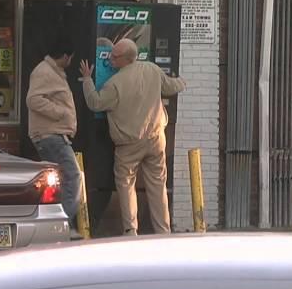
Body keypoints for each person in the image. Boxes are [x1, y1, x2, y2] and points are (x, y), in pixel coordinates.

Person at [79, 38, 186, 235]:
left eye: (114, 56)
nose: (110, 59)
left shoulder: (114, 84)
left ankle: (130, 230)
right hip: (156, 138)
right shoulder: (153, 70)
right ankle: (163, 231)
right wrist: (182, 81)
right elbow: (171, 87)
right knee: (158, 185)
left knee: (126, 184)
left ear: (125, 59)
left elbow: (95, 103)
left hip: (128, 144)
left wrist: (87, 80)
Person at [27, 36, 82, 240]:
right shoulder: (44, 71)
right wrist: (60, 113)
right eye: (71, 58)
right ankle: (63, 223)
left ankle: (55, 223)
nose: (71, 62)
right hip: (51, 135)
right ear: (65, 56)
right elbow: (33, 100)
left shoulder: (53, 72)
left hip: (55, 134)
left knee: (57, 182)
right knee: (73, 176)